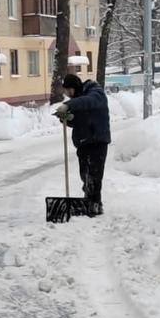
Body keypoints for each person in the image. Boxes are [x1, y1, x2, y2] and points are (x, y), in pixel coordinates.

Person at [54, 73, 110, 215]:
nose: (68, 95)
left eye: (69, 91)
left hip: (98, 140)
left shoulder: (95, 91)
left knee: (94, 175)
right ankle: (90, 202)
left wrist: (68, 105)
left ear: (75, 86)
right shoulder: (78, 99)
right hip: (83, 142)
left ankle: (94, 204)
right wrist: (67, 119)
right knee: (84, 174)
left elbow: (90, 101)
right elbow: (79, 121)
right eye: (66, 93)